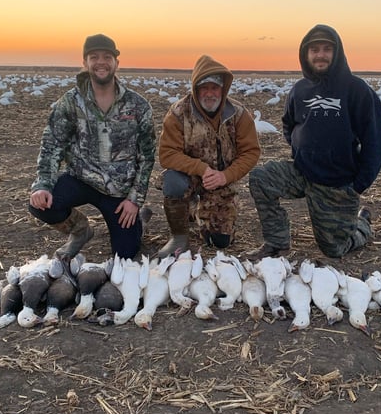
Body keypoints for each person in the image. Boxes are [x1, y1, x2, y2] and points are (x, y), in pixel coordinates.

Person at [247, 24, 381, 260]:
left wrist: (358, 185)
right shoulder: (300, 89)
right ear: (306, 54)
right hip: (302, 173)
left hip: (337, 184)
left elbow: (375, 142)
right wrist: (300, 149)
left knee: (333, 250)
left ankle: (362, 224)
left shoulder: (357, 90)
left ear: (336, 53)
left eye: (326, 49)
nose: (320, 55)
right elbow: (289, 123)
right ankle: (276, 243)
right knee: (260, 178)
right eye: (314, 49)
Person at [29, 33, 156, 261]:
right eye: (94, 57)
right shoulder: (70, 102)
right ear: (85, 62)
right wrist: (43, 185)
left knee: (126, 255)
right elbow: (52, 144)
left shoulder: (138, 106)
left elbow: (146, 157)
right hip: (81, 180)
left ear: (117, 62)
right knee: (41, 204)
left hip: (119, 189)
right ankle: (80, 231)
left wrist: (134, 200)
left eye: (107, 56)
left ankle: (139, 222)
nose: (101, 62)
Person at [157, 54, 260, 258]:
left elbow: (251, 152)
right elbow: (167, 154)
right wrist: (202, 169)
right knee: (173, 183)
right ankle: (179, 237)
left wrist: (226, 176)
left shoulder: (238, 114)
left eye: (215, 87)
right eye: (204, 88)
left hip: (221, 180)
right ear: (195, 89)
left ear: (223, 89)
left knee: (219, 243)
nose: (210, 93)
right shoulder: (178, 113)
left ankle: (196, 208)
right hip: (190, 176)